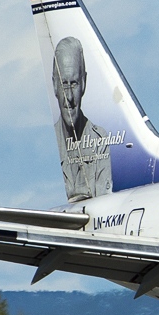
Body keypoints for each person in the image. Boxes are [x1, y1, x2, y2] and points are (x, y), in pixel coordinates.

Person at [52, 36, 113, 200]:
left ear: (84, 83)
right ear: (54, 85)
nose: (69, 97)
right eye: (64, 84)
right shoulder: (49, 141)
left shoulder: (100, 140)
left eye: (74, 84)